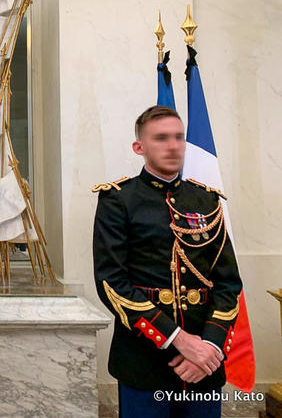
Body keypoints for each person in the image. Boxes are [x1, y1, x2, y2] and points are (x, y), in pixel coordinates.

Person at [92, 106, 242, 418]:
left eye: (178, 137)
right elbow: (113, 284)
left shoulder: (207, 200)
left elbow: (228, 284)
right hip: (144, 362)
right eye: (161, 138)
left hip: (204, 363)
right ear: (139, 147)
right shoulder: (118, 200)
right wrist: (180, 341)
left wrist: (210, 347)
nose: (173, 146)